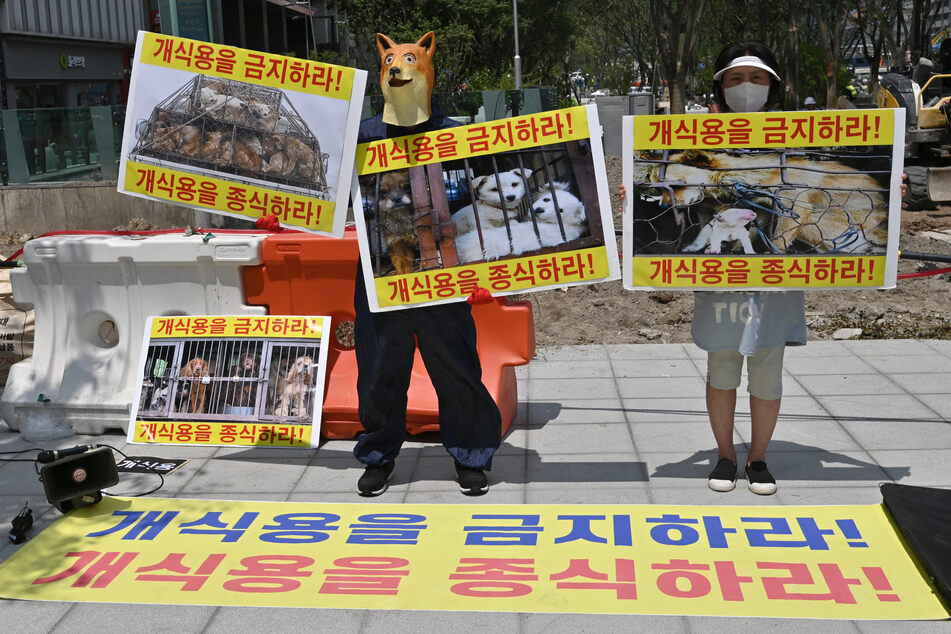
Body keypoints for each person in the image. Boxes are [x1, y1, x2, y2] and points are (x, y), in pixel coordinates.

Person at [353, 31, 502, 497]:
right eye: (391, 64)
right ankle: (379, 453)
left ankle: (471, 453)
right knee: (379, 366)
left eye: (409, 62)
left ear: (426, 69)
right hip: (382, 268)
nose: (398, 70)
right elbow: (330, 195)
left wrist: (483, 266)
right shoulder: (362, 137)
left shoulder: (458, 136)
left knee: (455, 363)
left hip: (443, 268)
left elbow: (482, 202)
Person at [697, 41, 807, 496]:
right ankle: (725, 456)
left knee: (767, 366)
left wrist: (891, 183)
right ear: (720, 87)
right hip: (722, 271)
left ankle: (758, 458)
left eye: (757, 78)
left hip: (776, 274)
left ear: (772, 87)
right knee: (722, 363)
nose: (747, 88)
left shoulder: (798, 138)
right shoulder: (693, 141)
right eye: (736, 78)